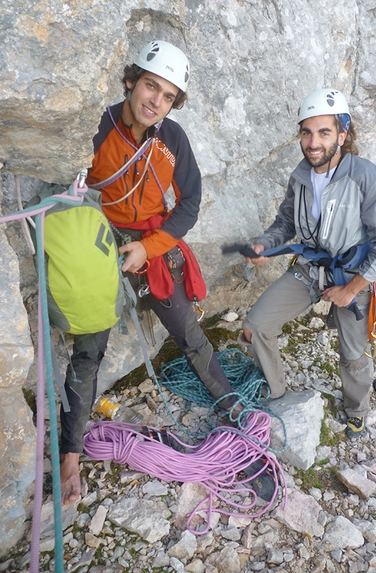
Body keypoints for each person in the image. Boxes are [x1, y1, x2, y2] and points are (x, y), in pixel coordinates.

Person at [60, 40, 240, 504]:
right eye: (149, 86)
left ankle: (232, 406)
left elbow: (191, 203)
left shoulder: (172, 138)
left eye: (166, 95)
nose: (154, 100)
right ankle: (70, 456)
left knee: (189, 333)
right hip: (101, 243)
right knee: (89, 351)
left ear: (173, 103)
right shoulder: (97, 127)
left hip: (151, 246)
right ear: (131, 81)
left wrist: (150, 246)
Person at [241, 88, 376, 439]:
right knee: (256, 326)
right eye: (307, 132)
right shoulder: (301, 176)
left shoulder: (365, 177)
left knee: (352, 354)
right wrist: (264, 244)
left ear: (342, 135)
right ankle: (279, 398)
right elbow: (286, 223)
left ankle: (357, 409)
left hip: (353, 274)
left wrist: (351, 289)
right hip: (310, 268)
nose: (313, 142)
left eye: (324, 132)